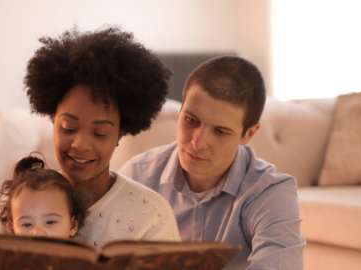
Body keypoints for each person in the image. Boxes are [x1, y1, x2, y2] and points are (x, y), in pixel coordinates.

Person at [0, 26, 181, 246]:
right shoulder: (19, 204)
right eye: (69, 128)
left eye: (99, 133)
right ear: (52, 119)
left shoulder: (151, 214)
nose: (80, 144)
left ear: (120, 132)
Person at [119, 56, 306, 269]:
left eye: (220, 131)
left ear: (249, 134)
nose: (197, 143)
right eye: (191, 120)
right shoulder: (136, 176)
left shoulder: (270, 192)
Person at [0, 155, 87, 240]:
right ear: (13, 227)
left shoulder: (80, 256)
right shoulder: (6, 256)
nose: (38, 233)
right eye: (27, 224)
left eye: (50, 222)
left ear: (72, 226)